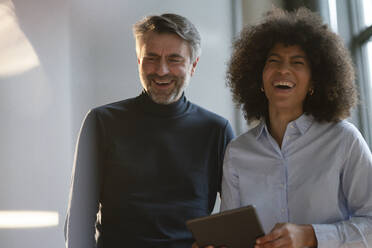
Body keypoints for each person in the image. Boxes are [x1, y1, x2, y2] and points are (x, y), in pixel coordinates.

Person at [64, 13, 234, 248]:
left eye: (174, 60)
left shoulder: (216, 130)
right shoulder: (101, 122)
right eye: (151, 58)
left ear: (193, 65)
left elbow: (235, 219)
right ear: (138, 60)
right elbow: (79, 221)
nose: (162, 70)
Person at [216, 7, 371, 248]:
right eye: (273, 61)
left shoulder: (344, 140)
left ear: (314, 81)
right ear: (259, 77)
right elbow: (234, 239)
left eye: (297, 62)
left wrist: (312, 236)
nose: (283, 70)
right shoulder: (237, 152)